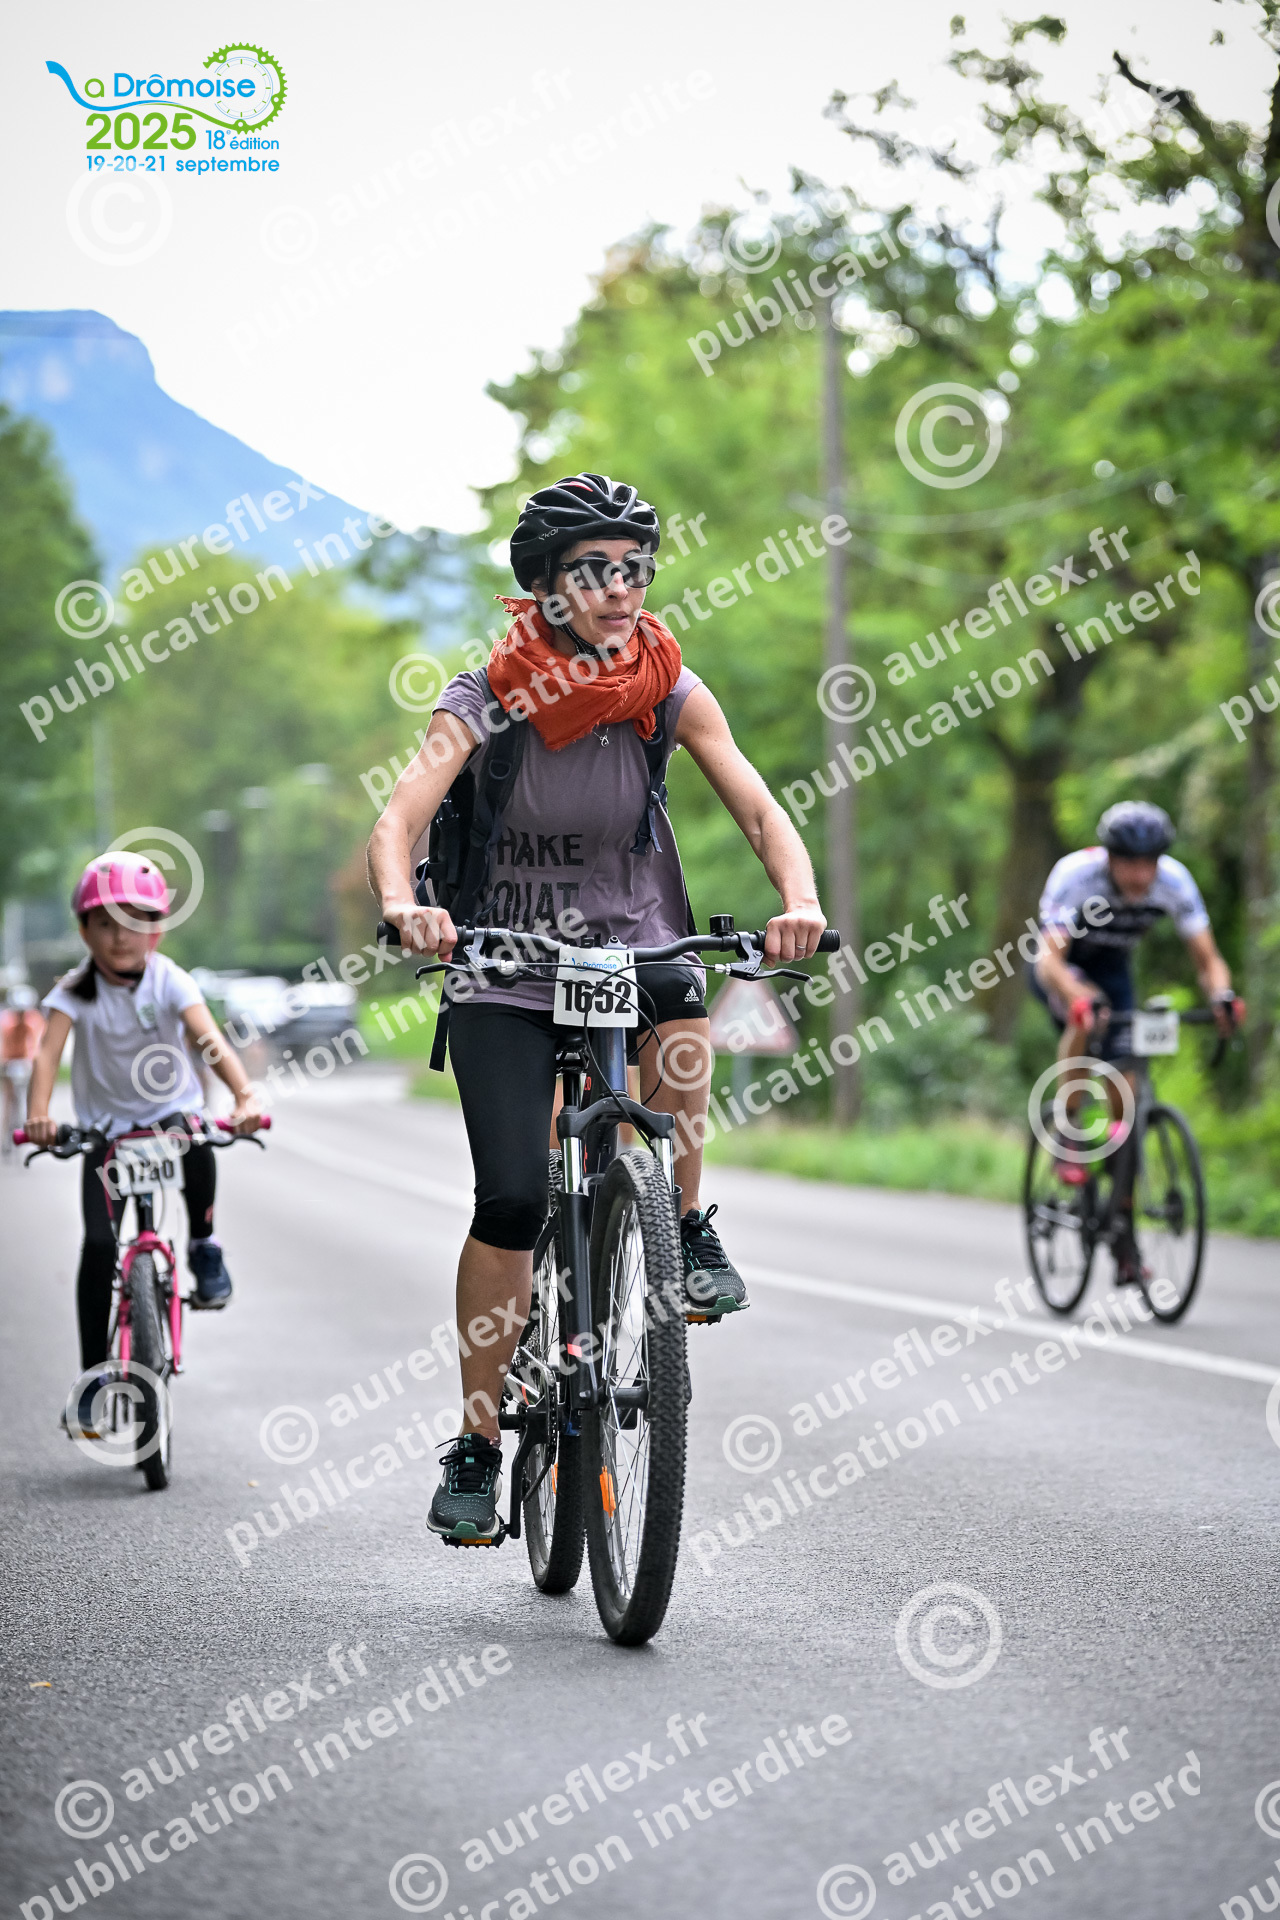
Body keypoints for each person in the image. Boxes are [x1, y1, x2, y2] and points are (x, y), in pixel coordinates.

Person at [367, 472, 827, 1543]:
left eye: (635, 568)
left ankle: (684, 1224)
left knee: (683, 1003)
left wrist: (799, 899)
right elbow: (399, 818)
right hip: (503, 959)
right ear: (545, 587)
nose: (621, 588)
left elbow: (759, 809)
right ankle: (478, 1441)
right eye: (594, 571)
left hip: (632, 941)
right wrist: (403, 905)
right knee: (512, 1200)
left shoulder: (667, 687)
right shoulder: (485, 694)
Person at [25, 852, 263, 1436]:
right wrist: (38, 1116)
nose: (119, 936)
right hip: (106, 1135)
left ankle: (203, 1245)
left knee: (196, 1138)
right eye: (104, 923)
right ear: (85, 931)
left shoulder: (169, 979)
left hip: (167, 1120)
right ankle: (91, 1379)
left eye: (134, 922)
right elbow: (48, 1055)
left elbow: (207, 1039)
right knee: (97, 1246)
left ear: (155, 929)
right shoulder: (74, 991)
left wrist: (243, 1097)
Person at [1031, 800, 1239, 1206]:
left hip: (1113, 970)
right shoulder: (1076, 876)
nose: (1141, 875)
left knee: (1125, 1080)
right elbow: (1049, 959)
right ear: (1109, 857)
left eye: (1150, 863)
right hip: (1063, 968)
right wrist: (1077, 997)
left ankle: (1120, 1190)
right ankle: (1068, 1128)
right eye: (1130, 863)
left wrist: (1222, 997)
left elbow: (1208, 960)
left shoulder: (1174, 882)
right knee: (1088, 1016)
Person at [1, 984, 45, 1153]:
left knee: (33, 1092)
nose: (20, 1016)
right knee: (9, 1098)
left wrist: (32, 1061)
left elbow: (36, 1042)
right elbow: (3, 1044)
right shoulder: (6, 1020)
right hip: (9, 1060)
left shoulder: (34, 1019)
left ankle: (33, 1126)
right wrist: (4, 1061)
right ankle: (6, 1134)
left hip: (25, 1060)